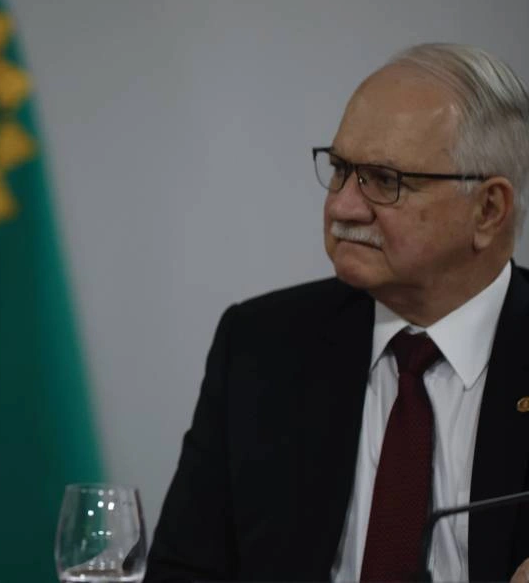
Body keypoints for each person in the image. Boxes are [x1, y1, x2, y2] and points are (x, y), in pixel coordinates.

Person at [144, 43, 529, 582]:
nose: (342, 206)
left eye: (384, 180)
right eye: (342, 169)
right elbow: (185, 572)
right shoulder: (260, 346)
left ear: (488, 209)